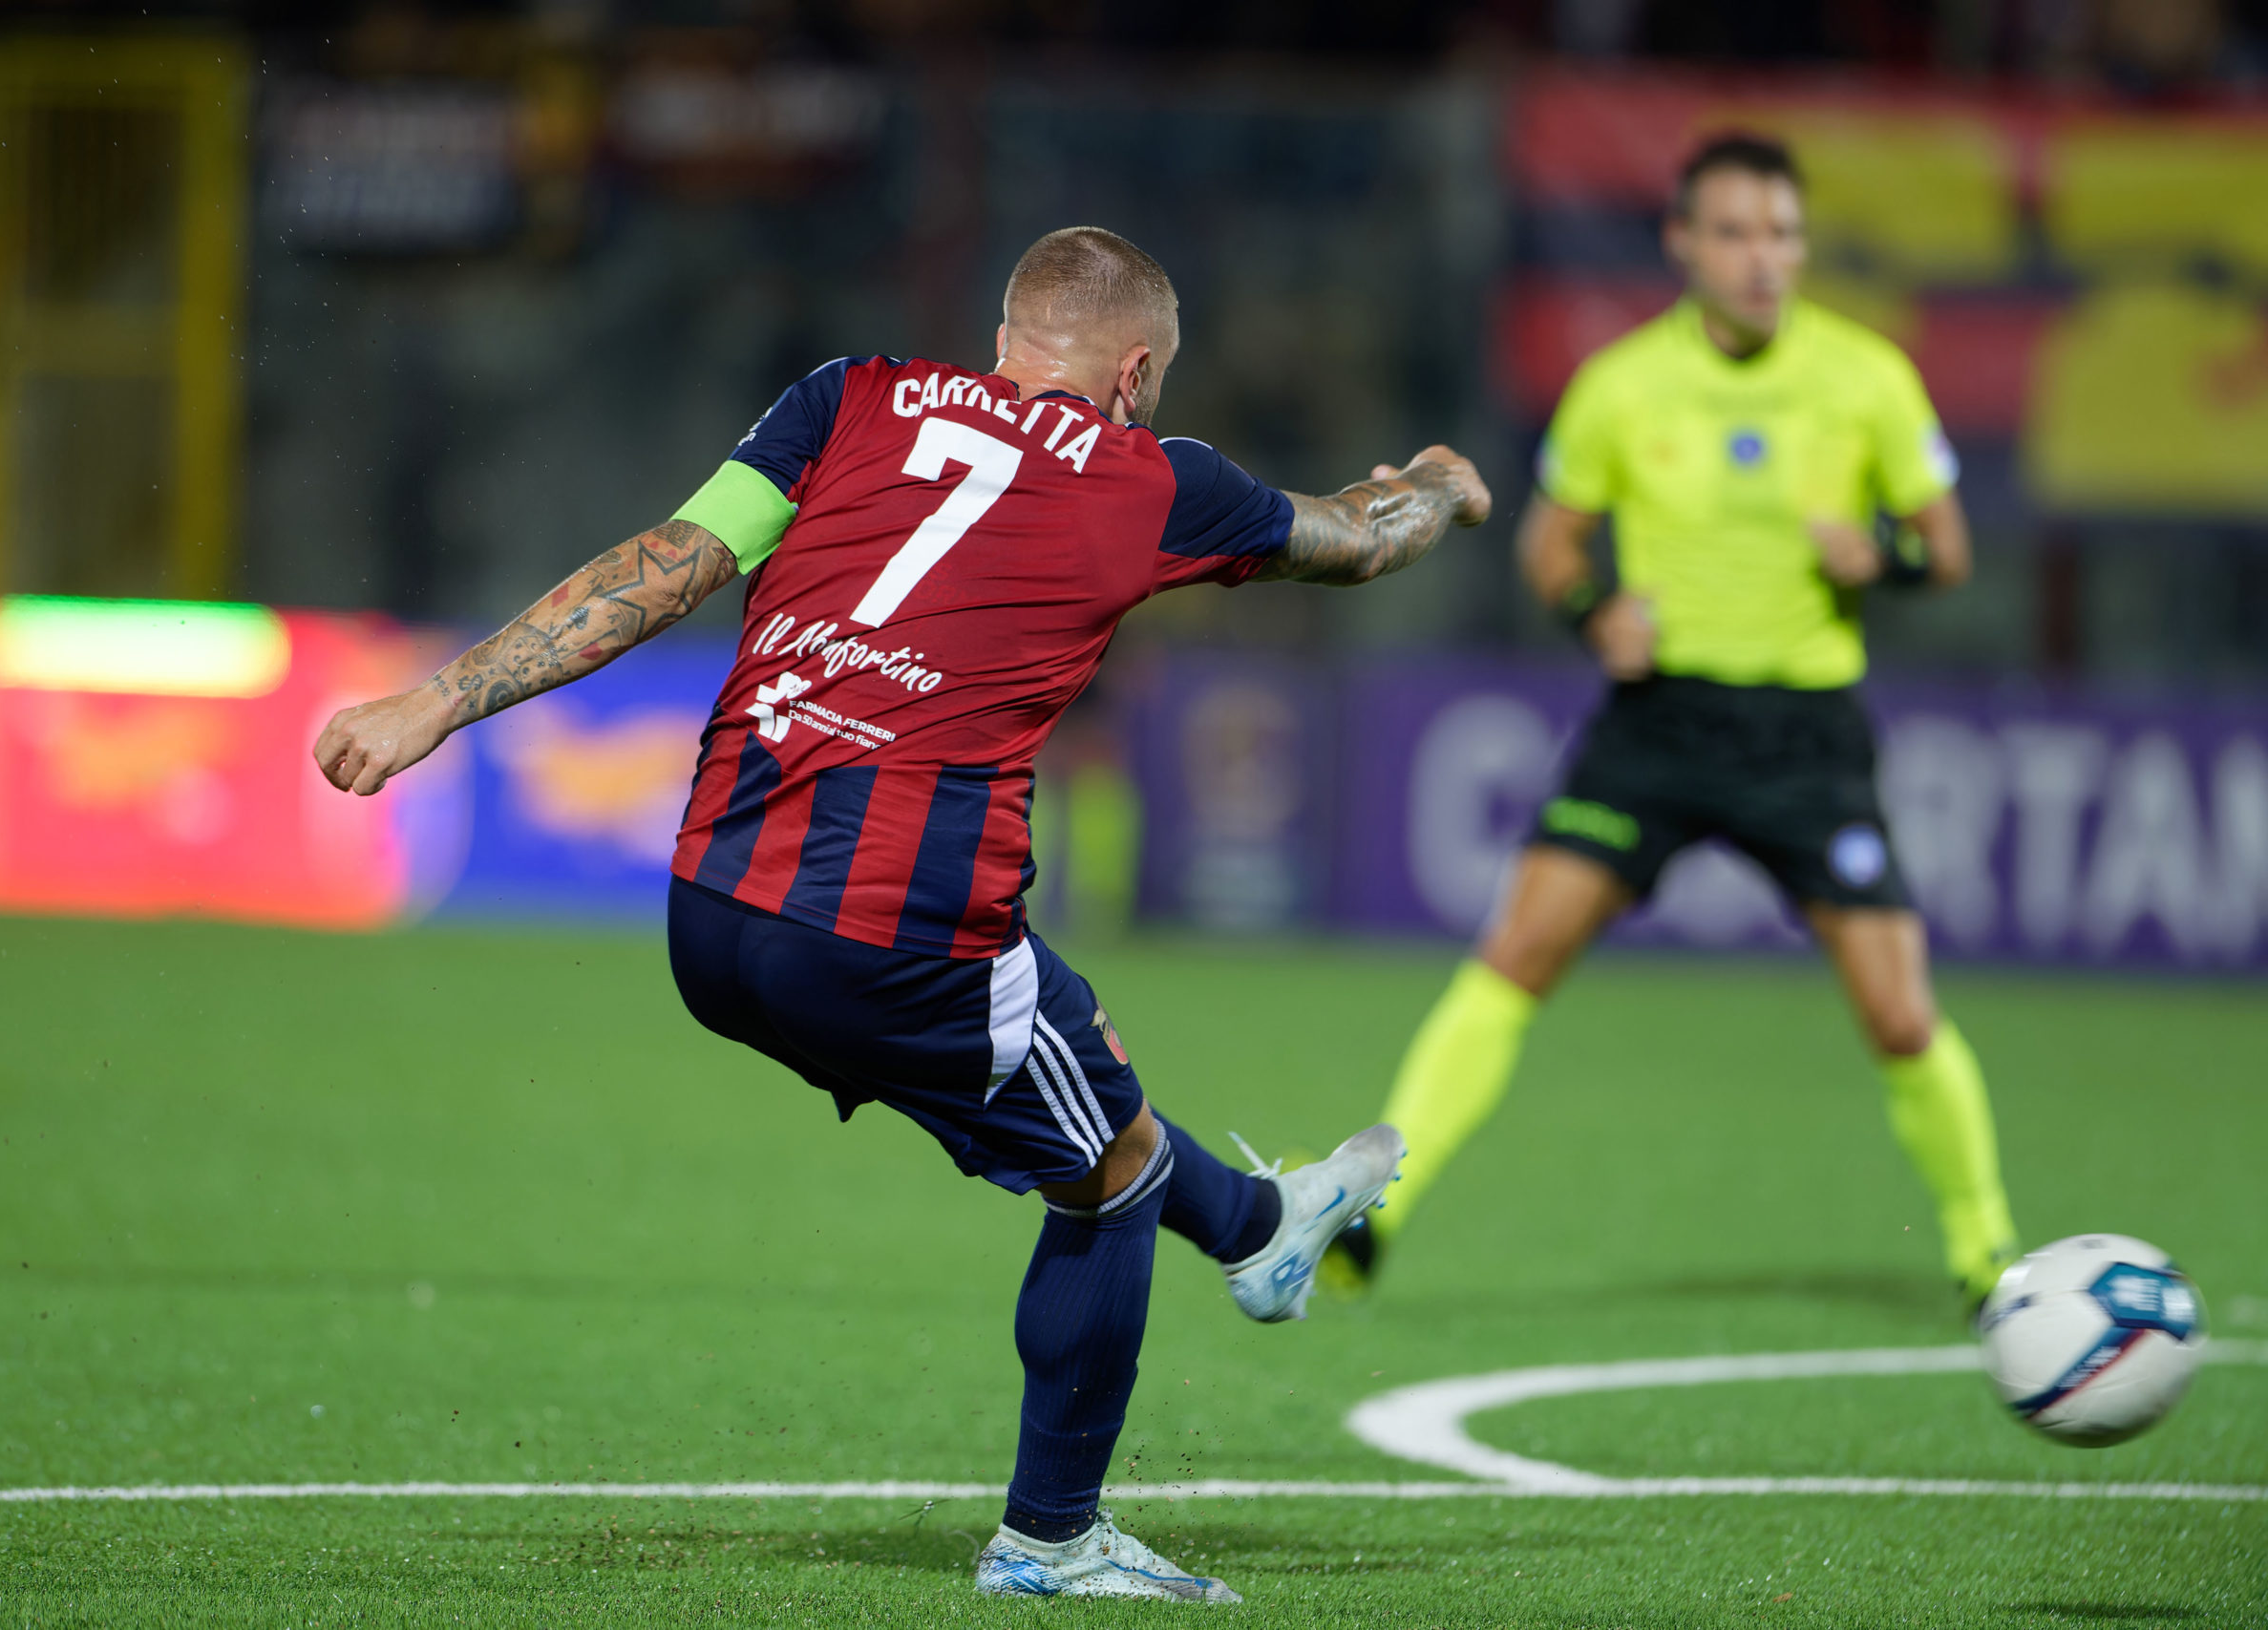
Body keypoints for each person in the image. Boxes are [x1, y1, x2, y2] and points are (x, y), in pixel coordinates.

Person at [315, 226, 1491, 1602]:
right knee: (1110, 1179)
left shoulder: (846, 396)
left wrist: (437, 698)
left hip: (710, 911)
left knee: (1091, 1100)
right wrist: (1440, 488)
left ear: (1005, 338)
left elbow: (673, 560)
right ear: (1135, 371)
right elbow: (1356, 539)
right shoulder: (1155, 477)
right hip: (895, 934)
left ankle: (1261, 1228)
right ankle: (1053, 1540)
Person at [1328, 134, 2019, 1308]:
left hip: (1804, 737)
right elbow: (1549, 546)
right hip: (1658, 726)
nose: (1763, 259)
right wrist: (1595, 612)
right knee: (1516, 955)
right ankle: (1371, 1215)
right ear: (1682, 244)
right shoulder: (1621, 385)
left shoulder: (1867, 378)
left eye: (1782, 234)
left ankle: (1985, 1252)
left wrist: (1884, 555)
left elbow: (1945, 551)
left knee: (1901, 1015)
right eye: (1736, 233)